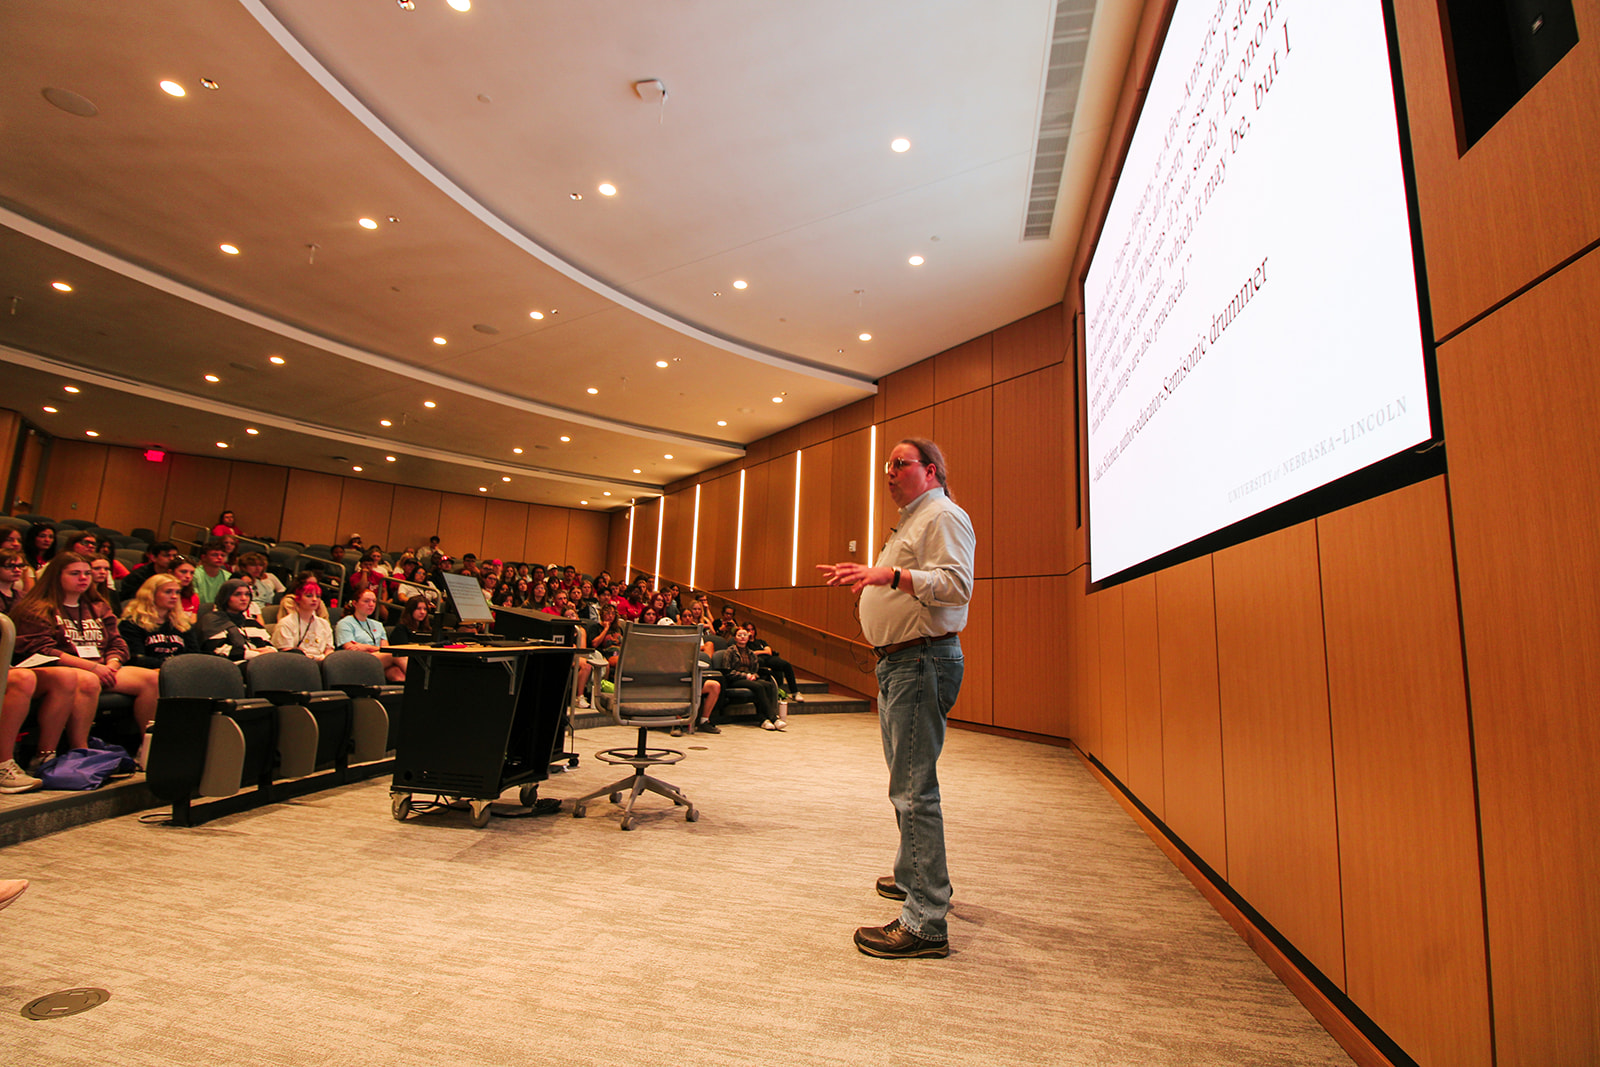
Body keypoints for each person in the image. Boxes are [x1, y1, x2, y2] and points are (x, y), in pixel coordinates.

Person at [819, 437, 974, 960]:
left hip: (921, 661)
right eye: (886, 464)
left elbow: (956, 586)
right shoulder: (912, 520)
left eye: (900, 463)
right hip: (900, 662)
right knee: (904, 783)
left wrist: (887, 575)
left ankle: (927, 921)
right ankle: (915, 876)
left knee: (914, 790)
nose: (889, 472)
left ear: (930, 470)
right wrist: (874, 585)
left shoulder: (943, 516)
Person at [10, 552, 163, 757]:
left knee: (152, 679)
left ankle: (147, 749)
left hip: (101, 666)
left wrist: (112, 664)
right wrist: (91, 667)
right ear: (57, 576)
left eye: (87, 573)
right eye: (75, 573)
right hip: (62, 669)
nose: (83, 578)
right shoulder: (37, 608)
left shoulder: (98, 606)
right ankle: (79, 750)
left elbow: (117, 642)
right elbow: (42, 649)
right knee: (89, 680)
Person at [118, 574, 202, 668]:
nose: (174, 596)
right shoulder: (132, 623)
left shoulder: (183, 623)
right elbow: (137, 659)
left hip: (180, 673)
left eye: (177, 592)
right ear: (151, 594)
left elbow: (194, 656)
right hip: (147, 674)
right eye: (168, 592)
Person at [335, 588, 405, 683]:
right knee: (396, 655)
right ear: (355, 604)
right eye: (366, 601)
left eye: (374, 601)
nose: (371, 604)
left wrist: (364, 646)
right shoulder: (345, 623)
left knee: (398, 675)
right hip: (356, 660)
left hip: (379, 659)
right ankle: (422, 684)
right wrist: (377, 648)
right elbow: (350, 648)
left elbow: (385, 648)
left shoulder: (378, 624)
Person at [199, 580, 276, 661]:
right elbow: (219, 650)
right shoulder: (212, 621)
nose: (244, 598)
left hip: (261, 662)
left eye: (247, 594)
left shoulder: (251, 622)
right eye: (237, 594)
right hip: (231, 666)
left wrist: (271, 650)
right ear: (225, 597)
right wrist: (256, 654)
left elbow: (268, 644)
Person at [270, 576, 335, 659]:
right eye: (309, 596)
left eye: (318, 596)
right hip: (296, 663)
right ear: (298, 599)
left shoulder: (324, 624)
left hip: (321, 663)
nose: (314, 599)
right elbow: (286, 651)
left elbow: (329, 650)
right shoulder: (286, 623)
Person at [192, 540, 232, 607]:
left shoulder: (228, 576)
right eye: (215, 555)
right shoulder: (194, 574)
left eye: (222, 555)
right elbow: (195, 600)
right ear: (203, 557)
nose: (219, 558)